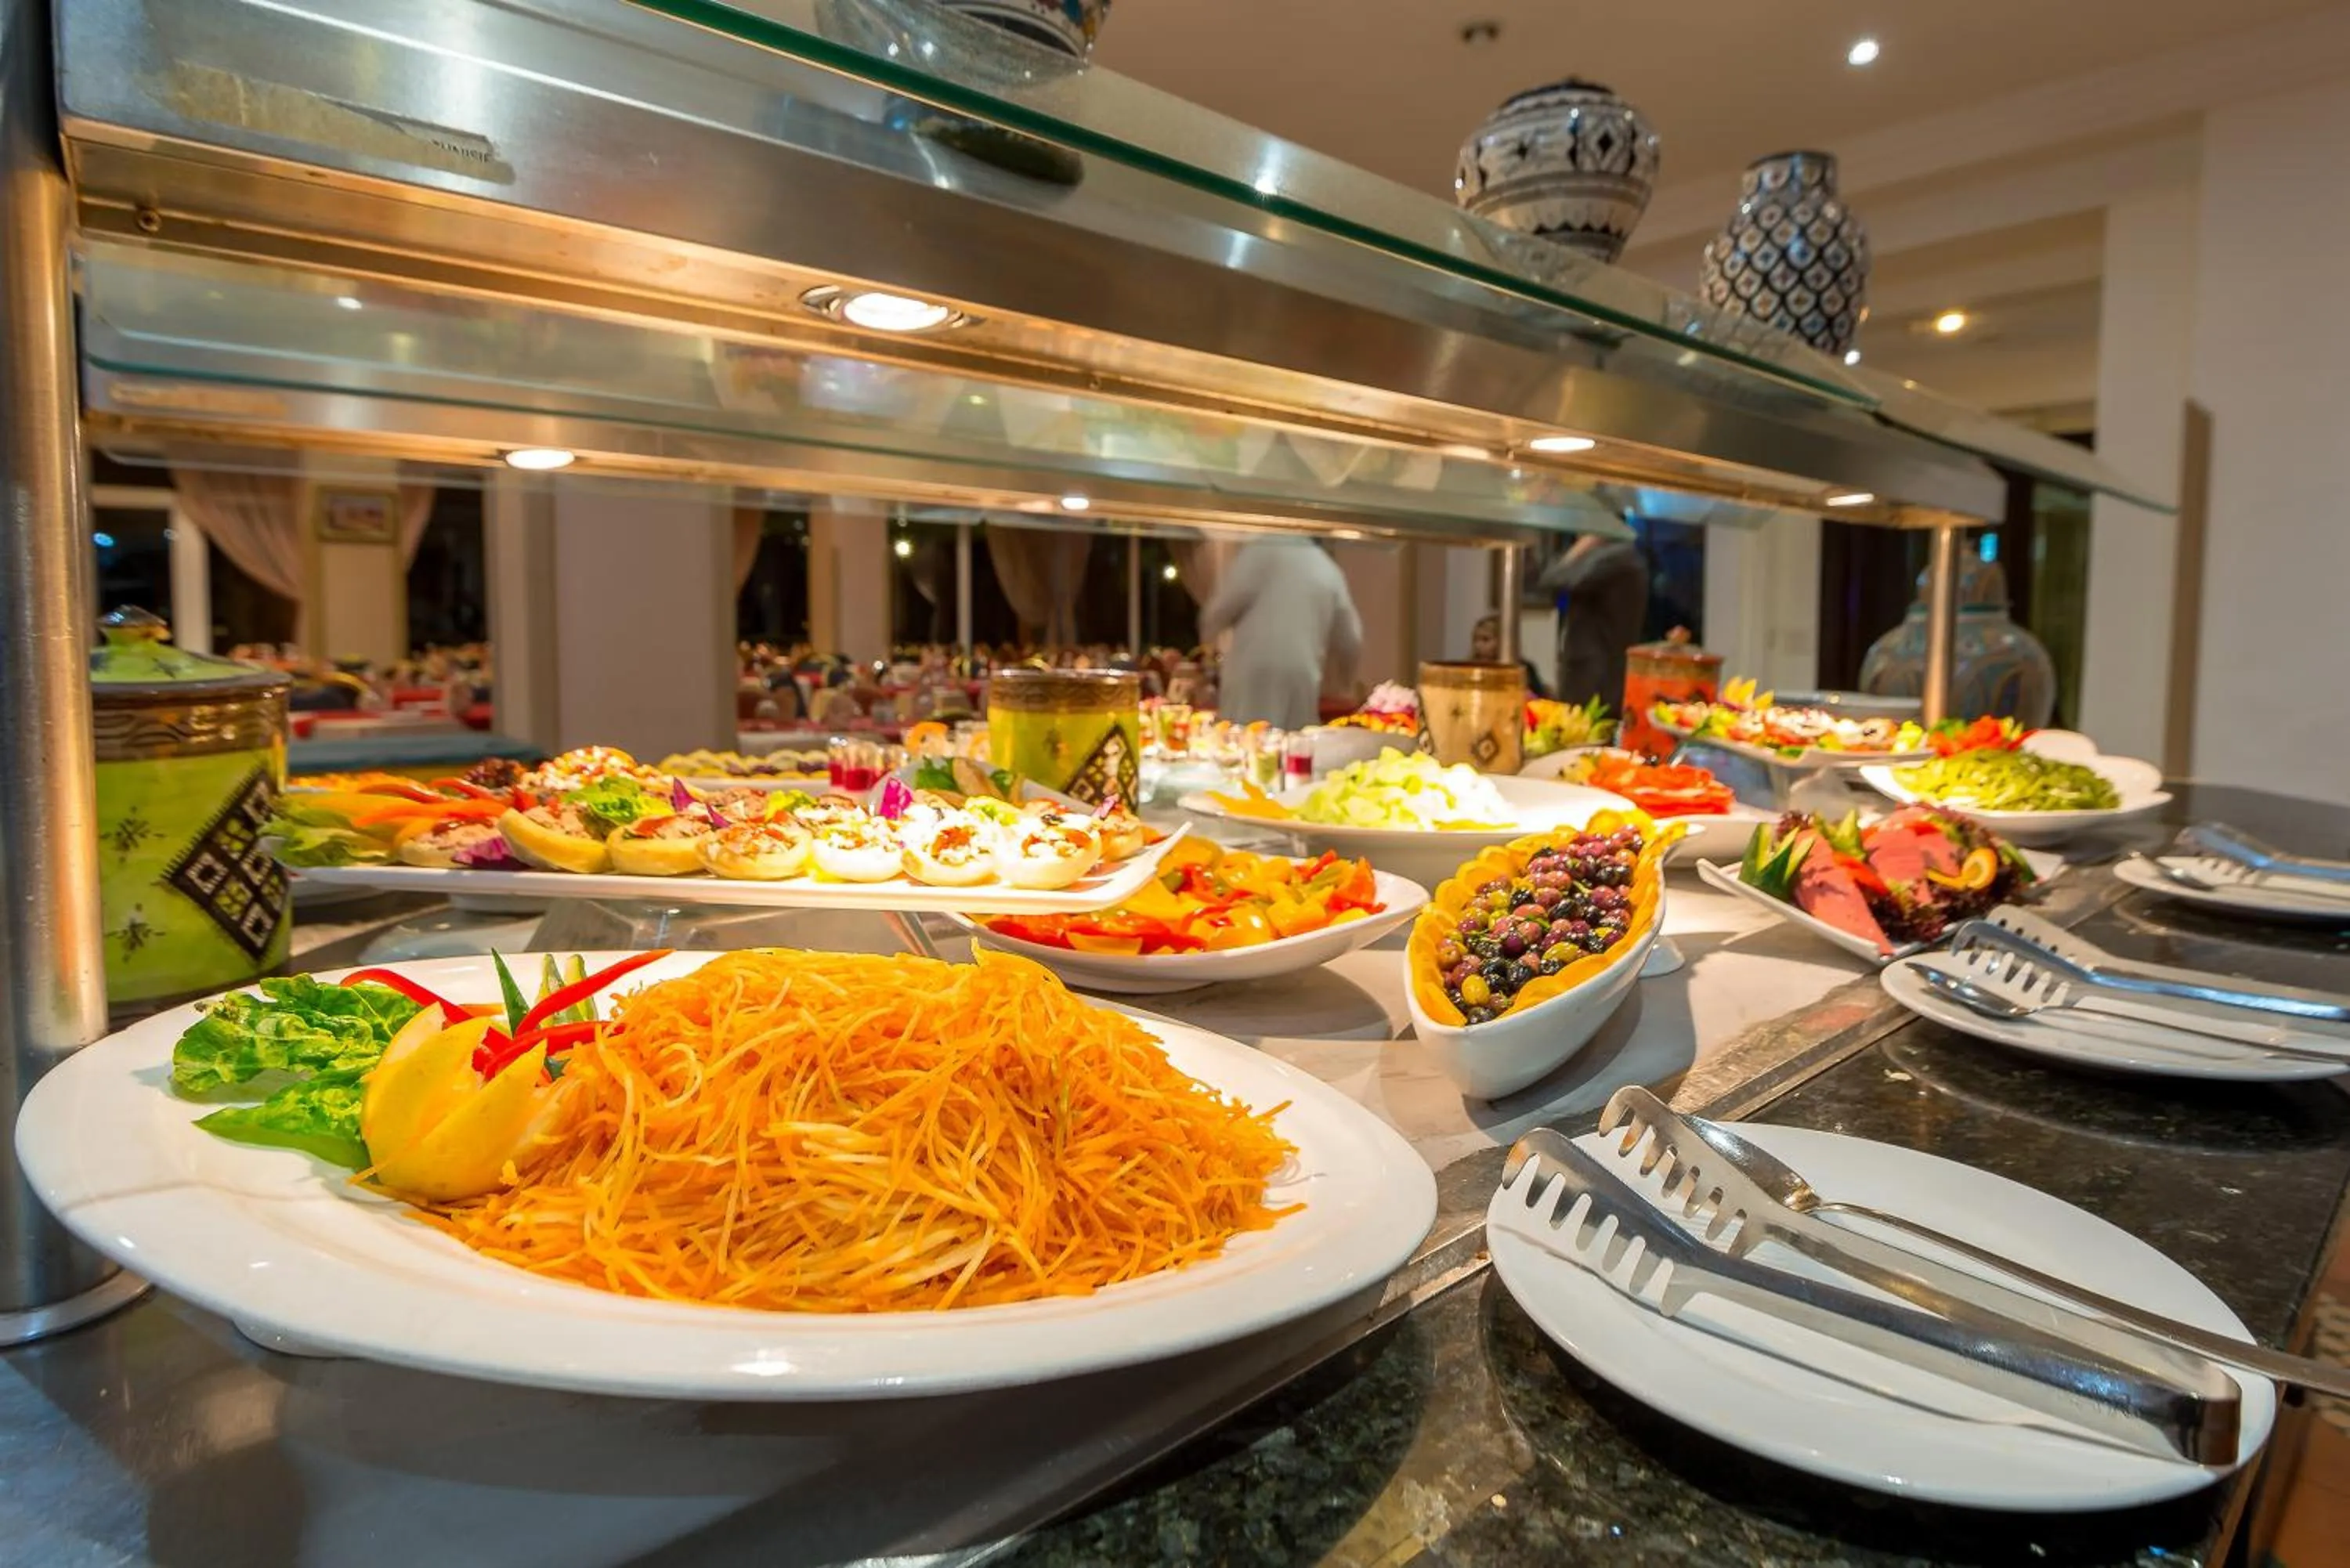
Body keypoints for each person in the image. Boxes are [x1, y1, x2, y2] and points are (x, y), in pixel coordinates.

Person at [1197, 539, 1361, 729]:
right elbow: (1351, 639)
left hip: (1253, 674)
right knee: (1291, 748)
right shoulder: (1327, 568)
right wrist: (1345, 685)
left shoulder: (1259, 552)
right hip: (1302, 674)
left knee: (1245, 745)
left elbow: (1218, 612)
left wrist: (1208, 648)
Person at [1537, 533, 1649, 713]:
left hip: (1596, 671)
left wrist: (1577, 551)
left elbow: (1553, 580)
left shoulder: (1615, 557)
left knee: (1584, 735)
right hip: (1597, 667)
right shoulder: (1621, 556)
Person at [1470, 613, 1550, 699]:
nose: (1478, 645)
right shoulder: (1471, 669)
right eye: (1476, 640)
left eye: (1485, 639)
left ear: (1502, 641)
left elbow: (1540, 701)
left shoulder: (1524, 668)